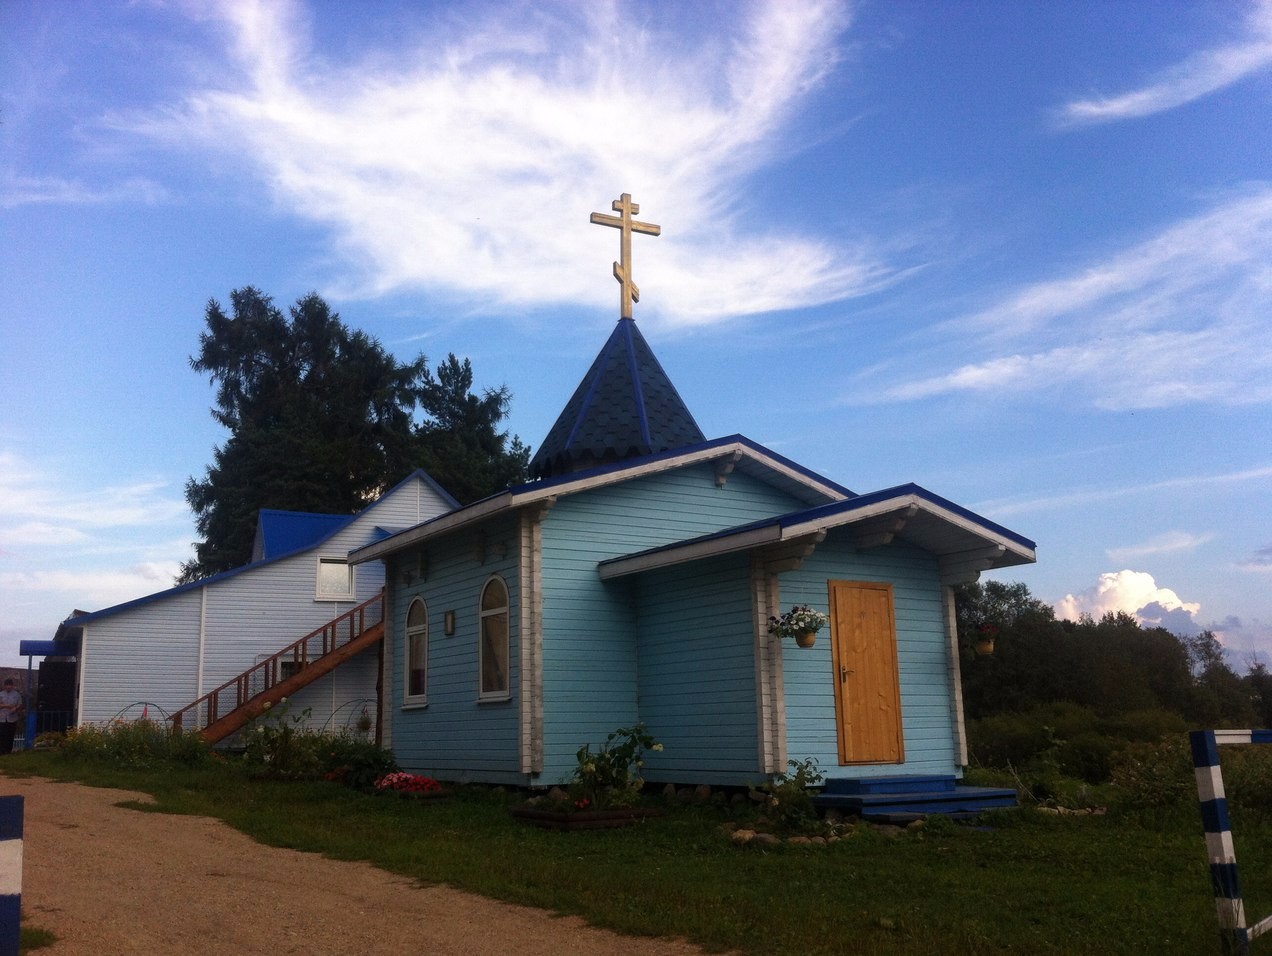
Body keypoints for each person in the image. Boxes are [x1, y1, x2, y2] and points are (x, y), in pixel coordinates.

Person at [0, 678, 23, 755]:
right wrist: (7, 705)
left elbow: (20, 704)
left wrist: (15, 708)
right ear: (4, 686)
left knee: (10, 735)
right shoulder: (1, 694)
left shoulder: (17, 695)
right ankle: (1, 751)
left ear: (12, 686)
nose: (8, 687)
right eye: (7, 685)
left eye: (10, 685)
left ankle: (8, 751)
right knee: (2, 735)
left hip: (12, 718)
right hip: (2, 718)